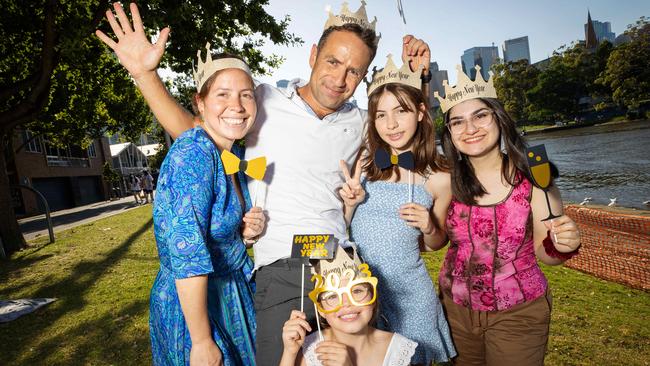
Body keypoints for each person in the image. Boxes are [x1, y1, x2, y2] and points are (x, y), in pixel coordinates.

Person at [95, 3, 430, 364]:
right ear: (313, 54)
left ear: (363, 76)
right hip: (281, 270)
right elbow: (198, 130)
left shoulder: (363, 123)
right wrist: (146, 75)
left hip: (340, 263)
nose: (339, 79)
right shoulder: (262, 101)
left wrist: (420, 80)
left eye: (354, 71)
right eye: (333, 62)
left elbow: (409, 131)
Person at [98, 7, 267, 365]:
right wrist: (202, 341)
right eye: (222, 94)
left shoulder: (228, 153)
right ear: (200, 104)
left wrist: (242, 232)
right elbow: (185, 251)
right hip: (197, 309)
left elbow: (213, 226)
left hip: (229, 294)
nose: (236, 105)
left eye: (246, 94)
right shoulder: (192, 154)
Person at [435, 66, 582, 365]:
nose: (470, 128)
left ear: (499, 119)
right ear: (449, 133)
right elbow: (433, 241)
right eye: (457, 122)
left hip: (519, 312)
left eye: (480, 115)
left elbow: (547, 254)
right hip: (455, 310)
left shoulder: (535, 179)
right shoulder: (445, 180)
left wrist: (563, 245)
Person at [338, 56, 456, 364]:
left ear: (419, 113)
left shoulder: (440, 178)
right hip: (360, 296)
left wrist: (429, 226)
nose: (390, 124)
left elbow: (436, 243)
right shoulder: (364, 164)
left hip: (411, 297)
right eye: (381, 115)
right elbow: (341, 231)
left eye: (401, 111)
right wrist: (349, 206)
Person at [279, 244, 417, 366]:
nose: (346, 303)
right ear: (320, 308)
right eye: (332, 296)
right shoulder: (310, 351)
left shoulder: (396, 350)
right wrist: (289, 353)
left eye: (357, 291)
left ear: (373, 297)